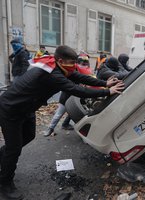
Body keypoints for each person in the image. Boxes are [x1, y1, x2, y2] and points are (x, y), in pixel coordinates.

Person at [0, 45, 124, 199]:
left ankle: (3, 157)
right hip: (11, 109)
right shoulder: (52, 74)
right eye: (71, 62)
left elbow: (78, 77)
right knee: (14, 149)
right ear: (59, 60)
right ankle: (5, 183)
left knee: (29, 136)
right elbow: (76, 89)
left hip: (27, 108)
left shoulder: (57, 65)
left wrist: (104, 83)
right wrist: (107, 92)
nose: (74, 66)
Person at [44, 52, 93, 137]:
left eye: (85, 62)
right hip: (66, 96)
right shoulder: (70, 71)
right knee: (59, 113)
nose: (84, 64)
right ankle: (50, 128)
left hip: (76, 96)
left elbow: (86, 79)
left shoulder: (84, 71)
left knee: (73, 112)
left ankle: (65, 124)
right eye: (82, 62)